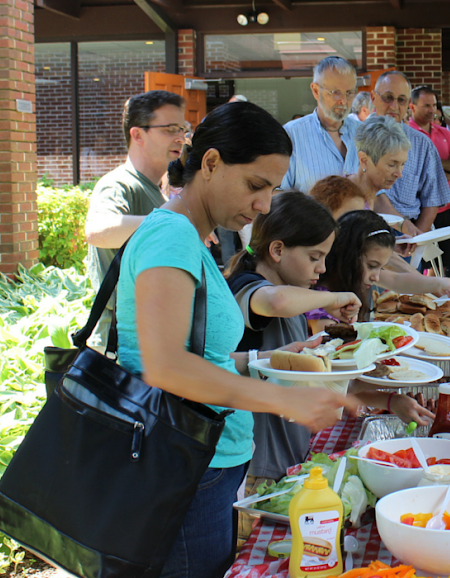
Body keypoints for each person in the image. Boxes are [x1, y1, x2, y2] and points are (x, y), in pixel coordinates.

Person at [116, 101, 358, 578]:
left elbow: (203, 356)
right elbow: (165, 366)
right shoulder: (172, 238)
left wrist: (270, 359)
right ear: (210, 164)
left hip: (206, 463)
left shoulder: (191, 238)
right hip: (184, 464)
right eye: (256, 185)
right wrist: (279, 400)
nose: (264, 205)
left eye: (272, 189)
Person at [224, 191, 361, 487]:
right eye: (314, 257)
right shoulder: (247, 287)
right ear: (277, 250)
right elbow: (276, 303)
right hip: (260, 463)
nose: (322, 268)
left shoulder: (290, 289)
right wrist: (332, 298)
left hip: (287, 453)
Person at [84, 90, 187, 348]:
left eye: (183, 129)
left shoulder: (154, 189)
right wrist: (174, 222)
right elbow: (98, 231)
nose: (180, 138)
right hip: (121, 349)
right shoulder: (118, 184)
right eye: (169, 129)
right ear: (138, 134)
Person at [314, 210, 450, 324]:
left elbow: (397, 280)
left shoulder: (354, 271)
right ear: (347, 252)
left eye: (381, 268)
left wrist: (443, 283)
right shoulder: (320, 300)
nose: (376, 277)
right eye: (372, 266)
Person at [369, 71, 450, 239]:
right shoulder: (354, 137)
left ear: (408, 103)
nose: (394, 106)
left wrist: (415, 240)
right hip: (365, 231)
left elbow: (433, 199)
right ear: (373, 97)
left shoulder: (422, 144)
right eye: (388, 97)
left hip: (407, 233)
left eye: (401, 100)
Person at [407, 85, 450, 277]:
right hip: (418, 211)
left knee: (446, 263)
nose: (432, 110)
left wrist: (431, 167)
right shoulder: (405, 133)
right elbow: (413, 172)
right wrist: (447, 172)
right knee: (419, 262)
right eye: (426, 105)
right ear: (412, 106)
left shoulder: (444, 133)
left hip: (446, 208)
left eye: (434, 105)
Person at [280, 55, 361, 194]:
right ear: (316, 91)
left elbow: (376, 193)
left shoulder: (363, 133)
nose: (343, 101)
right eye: (335, 93)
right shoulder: (291, 135)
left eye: (349, 93)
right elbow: (276, 194)